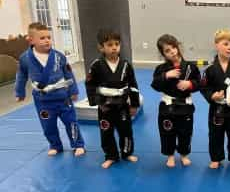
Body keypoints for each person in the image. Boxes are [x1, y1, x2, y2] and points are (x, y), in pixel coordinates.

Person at [15, 22, 85, 157]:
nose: (47, 40)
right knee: (48, 125)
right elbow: (21, 76)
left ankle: (78, 144)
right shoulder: (25, 58)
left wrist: (73, 91)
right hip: (43, 100)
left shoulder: (59, 56)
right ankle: (55, 145)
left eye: (49, 37)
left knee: (71, 122)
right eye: (42, 38)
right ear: (31, 40)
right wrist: (20, 92)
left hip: (63, 97)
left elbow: (68, 74)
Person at [86, 29, 140, 169]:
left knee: (126, 131)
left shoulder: (126, 65)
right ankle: (111, 156)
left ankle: (127, 153)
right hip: (105, 106)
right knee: (106, 131)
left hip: (122, 105)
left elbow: (133, 85)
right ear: (101, 47)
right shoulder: (96, 65)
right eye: (110, 45)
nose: (114, 47)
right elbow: (91, 85)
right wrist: (98, 102)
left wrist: (134, 104)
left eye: (117, 44)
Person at [200, 29, 230, 169]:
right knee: (215, 134)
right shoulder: (209, 69)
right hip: (217, 108)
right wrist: (211, 96)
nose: (229, 47)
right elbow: (204, 87)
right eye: (226, 44)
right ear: (216, 45)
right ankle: (216, 157)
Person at [151, 34, 201, 168]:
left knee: (185, 132)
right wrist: (166, 75)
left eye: (173, 47)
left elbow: (200, 83)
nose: (172, 51)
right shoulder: (161, 69)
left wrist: (189, 84)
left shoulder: (191, 67)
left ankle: (184, 154)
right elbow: (155, 85)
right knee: (168, 132)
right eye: (167, 50)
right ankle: (170, 155)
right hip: (168, 106)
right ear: (163, 54)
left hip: (185, 106)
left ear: (178, 46)